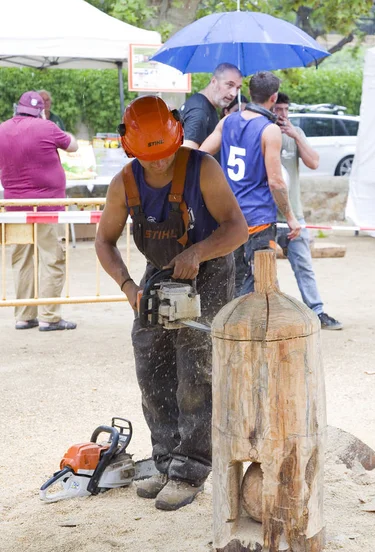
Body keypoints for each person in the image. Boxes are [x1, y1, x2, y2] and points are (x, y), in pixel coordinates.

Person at [95, 96, 248, 511]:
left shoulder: (204, 170)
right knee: (151, 363)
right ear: (129, 146)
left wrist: (198, 253)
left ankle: (192, 467)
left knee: (195, 369)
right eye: (150, 157)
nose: (159, 163)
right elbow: (104, 241)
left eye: (165, 154)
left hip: (211, 273)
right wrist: (129, 286)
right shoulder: (124, 183)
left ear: (177, 136)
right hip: (159, 273)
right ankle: (164, 460)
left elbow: (237, 228)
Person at [200, 71, 301, 296]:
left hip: (228, 218)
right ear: (273, 98)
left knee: (231, 282)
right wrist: (291, 217)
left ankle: (228, 328)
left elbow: (200, 156)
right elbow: (276, 182)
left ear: (248, 92)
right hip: (258, 221)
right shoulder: (269, 129)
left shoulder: (227, 121)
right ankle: (249, 330)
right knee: (259, 286)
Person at [0, 91, 78, 331]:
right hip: (47, 206)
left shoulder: (2, 129)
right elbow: (72, 146)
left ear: (17, 109)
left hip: (15, 207)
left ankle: (24, 315)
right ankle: (49, 316)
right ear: (41, 110)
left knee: (22, 260)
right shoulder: (48, 126)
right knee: (51, 258)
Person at [273, 93, 343, 330]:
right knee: (259, 268)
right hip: (267, 216)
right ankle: (269, 314)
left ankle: (317, 311)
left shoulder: (296, 133)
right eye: (277, 109)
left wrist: (295, 136)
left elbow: (313, 162)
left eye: (285, 109)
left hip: (295, 213)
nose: (281, 114)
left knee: (304, 265)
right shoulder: (263, 132)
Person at [179, 63, 242, 161]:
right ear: (214, 81)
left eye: (238, 88)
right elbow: (185, 159)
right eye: (229, 85)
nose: (233, 93)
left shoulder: (203, 104)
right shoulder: (199, 112)